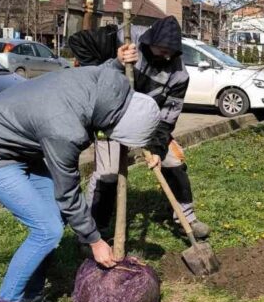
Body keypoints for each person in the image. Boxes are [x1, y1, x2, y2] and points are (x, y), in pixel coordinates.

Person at [0, 63, 160, 302]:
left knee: (54, 218)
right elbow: (67, 192)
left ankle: (31, 299)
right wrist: (94, 240)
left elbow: (109, 66)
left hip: (22, 144)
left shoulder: (108, 81)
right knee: (47, 230)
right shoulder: (65, 131)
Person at [68, 16, 211, 240]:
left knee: (174, 162)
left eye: (171, 53)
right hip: (111, 119)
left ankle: (186, 220)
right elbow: (77, 41)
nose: (167, 56)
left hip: (148, 123)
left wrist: (156, 148)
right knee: (108, 175)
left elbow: (167, 117)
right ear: (150, 41)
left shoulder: (179, 75)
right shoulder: (124, 38)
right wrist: (114, 63)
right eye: (162, 50)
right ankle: (92, 234)